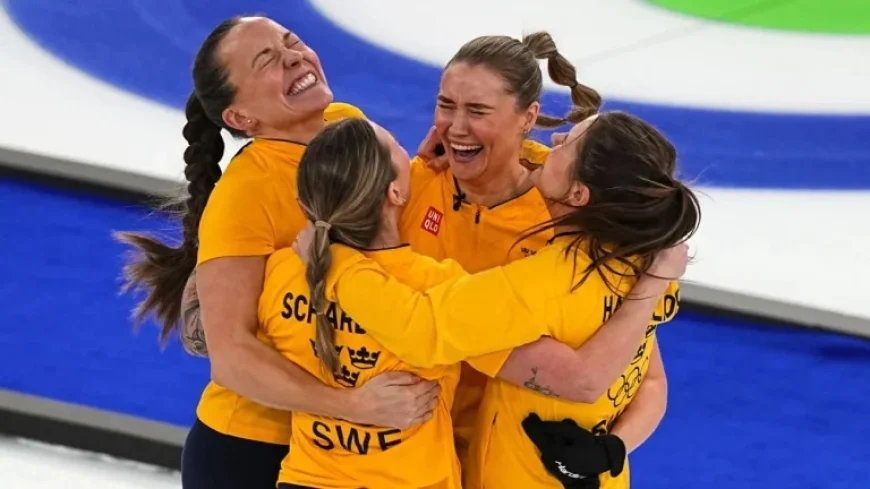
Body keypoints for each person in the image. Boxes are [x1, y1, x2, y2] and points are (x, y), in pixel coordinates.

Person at [294, 110, 700, 488]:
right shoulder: (644, 262)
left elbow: (420, 330)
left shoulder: (537, 285)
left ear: (579, 194)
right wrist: (614, 449)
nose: (554, 135)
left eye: (567, 142)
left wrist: (336, 262)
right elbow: (652, 380)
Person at [115, 16, 437, 489]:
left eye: (292, 41)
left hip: (340, 447)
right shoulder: (246, 194)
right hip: (253, 451)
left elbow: (391, 230)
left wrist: (432, 171)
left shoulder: (346, 124)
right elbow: (231, 356)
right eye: (267, 60)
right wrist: (353, 406)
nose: (293, 56)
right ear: (241, 119)